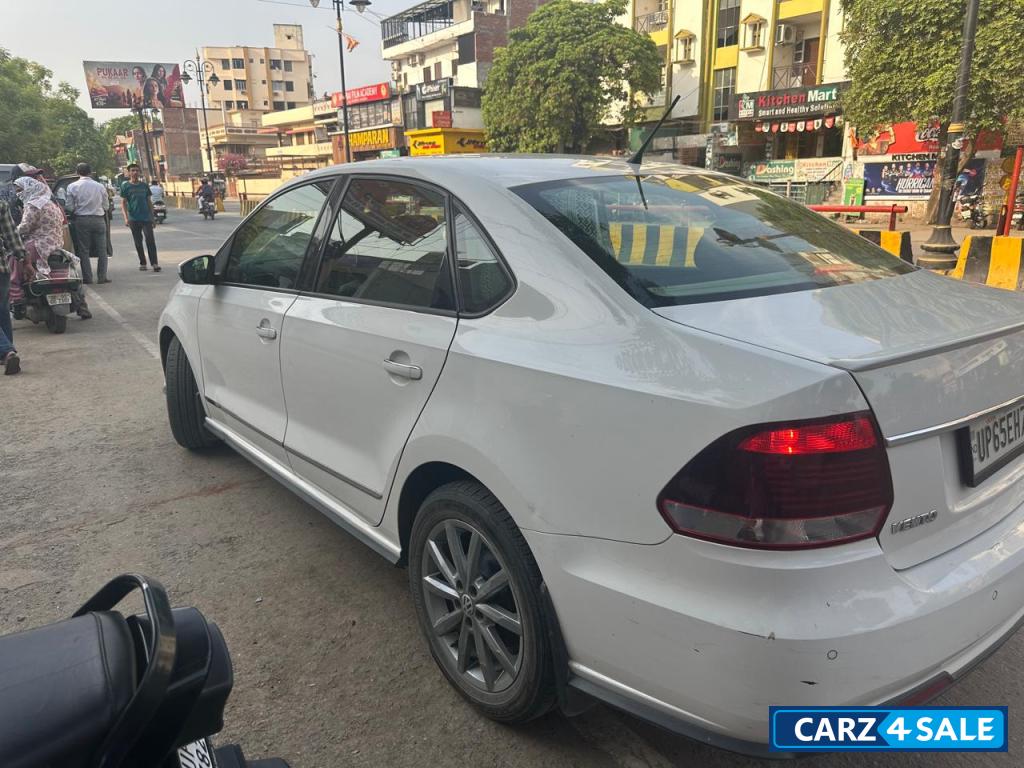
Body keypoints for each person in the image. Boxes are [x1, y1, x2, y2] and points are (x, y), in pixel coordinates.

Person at [14, 176, 92, 320]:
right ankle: (81, 304)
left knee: (13, 257)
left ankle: (16, 295)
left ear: (29, 188)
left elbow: (25, 227)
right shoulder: (51, 203)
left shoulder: (33, 205)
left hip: (38, 245)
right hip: (56, 243)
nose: (18, 193)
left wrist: (11, 234)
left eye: (20, 190)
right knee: (71, 271)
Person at [66, 162, 110, 284]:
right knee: (102, 250)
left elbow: (69, 207)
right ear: (90, 172)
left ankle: (88, 278)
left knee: (83, 250)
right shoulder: (100, 186)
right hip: (98, 220)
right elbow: (106, 206)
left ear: (77, 173)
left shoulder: (72, 186)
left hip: (82, 220)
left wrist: (77, 210)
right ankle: (102, 277)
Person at [0, 200, 30, 374]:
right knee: (3, 310)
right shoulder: (1, 204)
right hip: (2, 268)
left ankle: (6, 351)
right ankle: (6, 355)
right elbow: (12, 236)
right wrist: (24, 260)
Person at [120, 163, 161, 271]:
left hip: (146, 218)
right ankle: (143, 263)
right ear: (128, 173)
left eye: (137, 170)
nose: (135, 172)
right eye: (133, 170)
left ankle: (154, 263)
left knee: (150, 240)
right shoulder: (125, 186)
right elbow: (123, 203)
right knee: (138, 242)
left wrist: (153, 217)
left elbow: (149, 201)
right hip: (133, 218)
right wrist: (126, 218)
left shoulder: (144, 186)